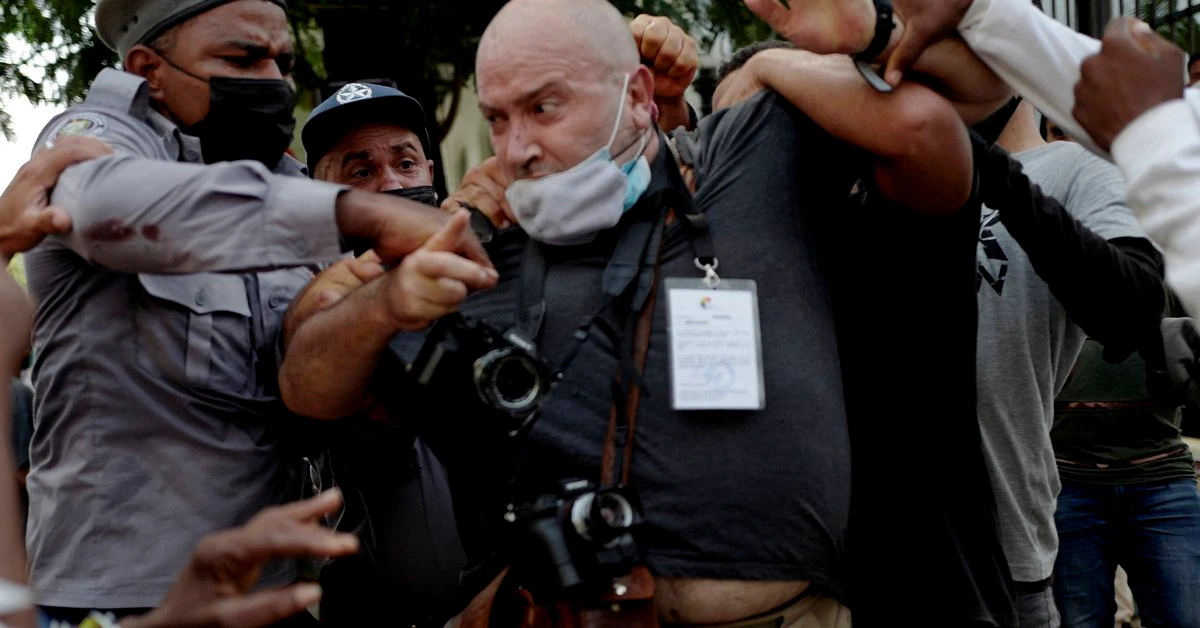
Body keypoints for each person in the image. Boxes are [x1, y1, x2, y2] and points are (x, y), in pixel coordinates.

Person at [281, 0, 991, 625]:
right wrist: (391, 293)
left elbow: (934, 136)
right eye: (498, 118)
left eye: (544, 108)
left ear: (639, 94)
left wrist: (772, 64)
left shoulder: (740, 160)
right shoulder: (474, 255)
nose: (519, 148)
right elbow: (307, 384)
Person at [15, 0, 491, 622]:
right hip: (122, 599)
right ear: (148, 69)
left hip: (270, 589)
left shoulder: (285, 188)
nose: (272, 80)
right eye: (242, 58)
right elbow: (108, 205)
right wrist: (362, 212)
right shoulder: (92, 140)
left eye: (282, 62)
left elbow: (302, 399)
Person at [971, 96, 1163, 627]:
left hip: (1006, 547)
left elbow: (1131, 311)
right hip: (870, 553)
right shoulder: (890, 168)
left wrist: (985, 165)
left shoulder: (1078, 168)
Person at [286, 81, 470, 626]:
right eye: (360, 172)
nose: (390, 184)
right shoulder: (297, 305)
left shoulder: (489, 274)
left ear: (430, 173)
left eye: (405, 164)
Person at [1051, 312, 1200, 627]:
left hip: (1162, 480)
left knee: (1185, 618)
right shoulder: (1042, 329)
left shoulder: (1170, 320)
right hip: (1068, 484)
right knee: (1079, 622)